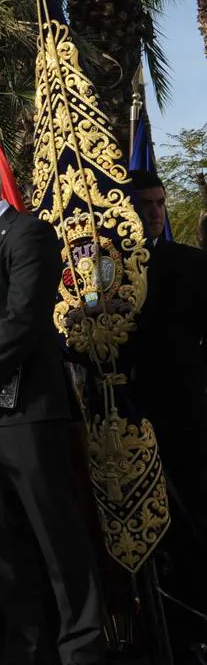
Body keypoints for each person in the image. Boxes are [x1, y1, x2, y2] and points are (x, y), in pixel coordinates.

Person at [0, 142, 105, 665]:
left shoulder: (27, 233)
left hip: (26, 415)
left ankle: (81, 650)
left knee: (56, 536)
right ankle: (24, 650)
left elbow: (24, 320)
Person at [123, 169, 207, 654]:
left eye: (159, 203)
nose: (154, 212)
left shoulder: (192, 265)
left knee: (190, 520)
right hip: (120, 417)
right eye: (143, 203)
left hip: (183, 415)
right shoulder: (97, 271)